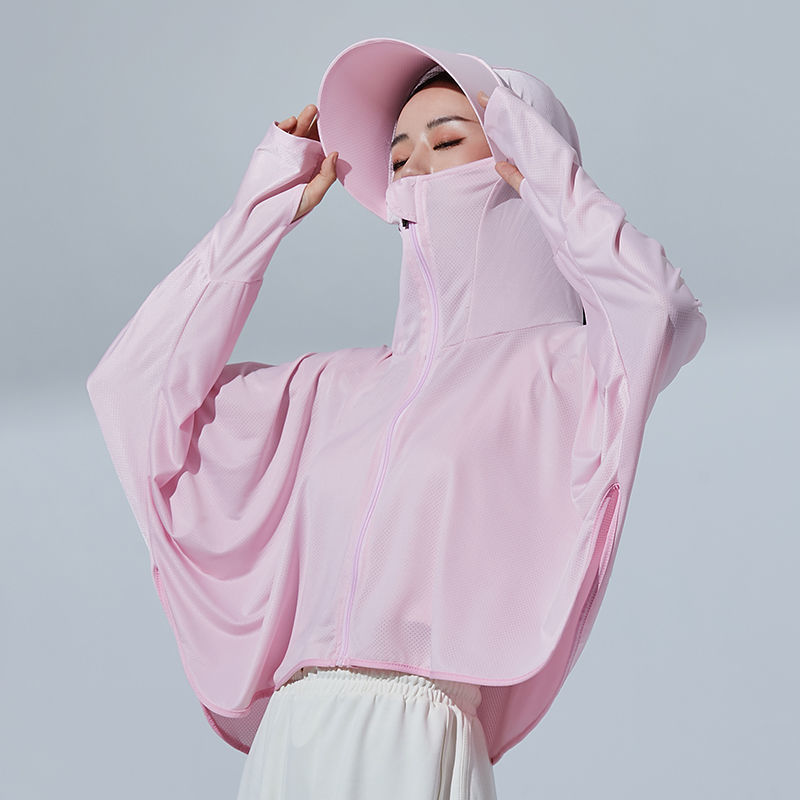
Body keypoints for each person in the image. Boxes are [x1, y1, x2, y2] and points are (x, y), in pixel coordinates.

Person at [87, 37, 706, 799]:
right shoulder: (330, 390)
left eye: (449, 141)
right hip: (293, 739)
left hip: (417, 738)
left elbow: (660, 311)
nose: (416, 169)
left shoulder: (568, 370)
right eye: (400, 156)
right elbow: (134, 387)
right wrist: (260, 213)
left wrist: (556, 182)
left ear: (519, 153)